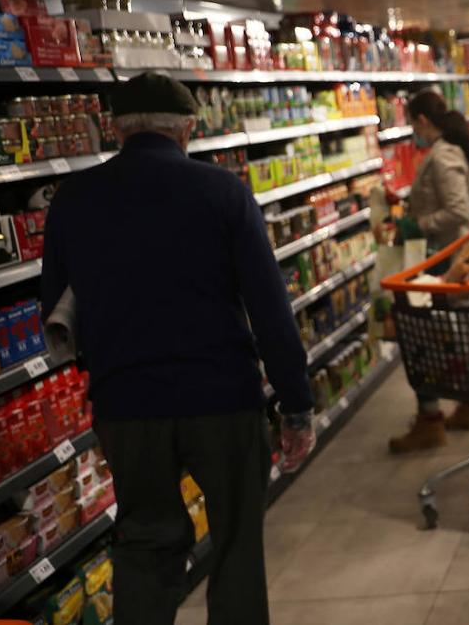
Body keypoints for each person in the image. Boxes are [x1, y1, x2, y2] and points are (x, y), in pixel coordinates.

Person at [40, 73, 317, 625]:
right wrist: (297, 405)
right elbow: (269, 309)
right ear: (187, 130)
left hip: (128, 404)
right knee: (237, 545)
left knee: (144, 547)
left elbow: (57, 309)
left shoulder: (74, 199)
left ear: (115, 130)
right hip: (222, 400)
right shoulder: (222, 192)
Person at [388, 89, 469, 453]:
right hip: (452, 256)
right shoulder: (451, 149)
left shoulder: (443, 154)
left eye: (413, 123)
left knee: (422, 338)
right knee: (453, 334)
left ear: (422, 121)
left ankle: (430, 420)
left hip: (443, 262)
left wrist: (418, 224)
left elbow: (459, 209)